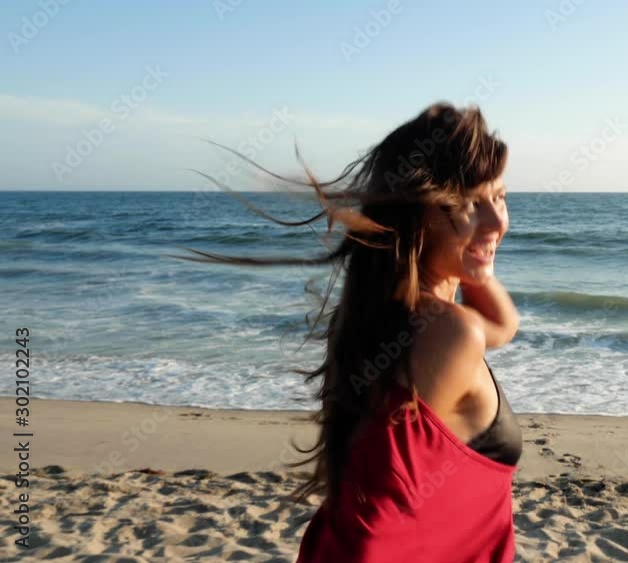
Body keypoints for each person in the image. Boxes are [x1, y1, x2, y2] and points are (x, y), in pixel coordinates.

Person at [174, 102, 523, 562]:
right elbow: (374, 519)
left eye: (499, 196)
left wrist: (471, 251)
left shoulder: (379, 314)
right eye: (469, 205)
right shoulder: (450, 335)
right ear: (419, 217)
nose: (498, 221)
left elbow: (503, 325)